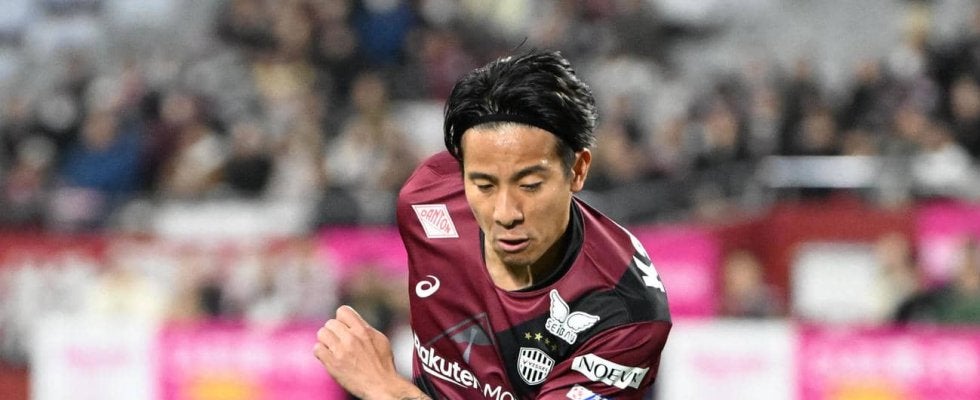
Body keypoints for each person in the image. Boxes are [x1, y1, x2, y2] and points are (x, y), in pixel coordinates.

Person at [314, 50, 671, 399]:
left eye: (529, 185)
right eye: (484, 185)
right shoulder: (427, 198)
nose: (505, 213)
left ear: (577, 170)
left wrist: (386, 389)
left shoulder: (626, 312)